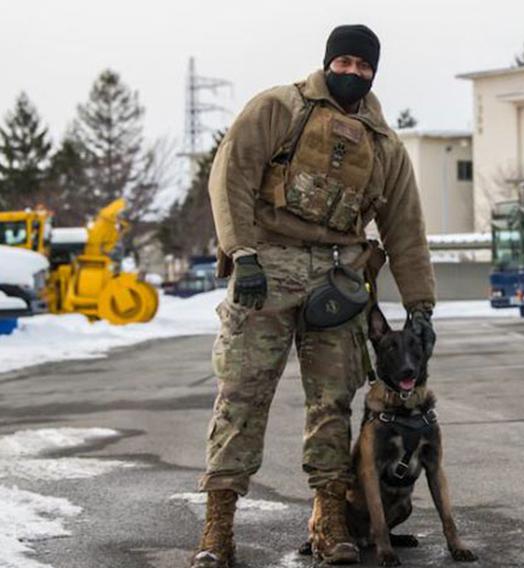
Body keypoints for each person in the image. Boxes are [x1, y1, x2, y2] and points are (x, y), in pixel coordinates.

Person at [190, 24, 437, 568]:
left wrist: (421, 307)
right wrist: (243, 253)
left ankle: (331, 526)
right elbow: (229, 175)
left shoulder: (385, 145)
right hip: (268, 268)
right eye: (344, 62)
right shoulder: (278, 108)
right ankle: (217, 532)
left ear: (374, 71)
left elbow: (405, 228)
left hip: (339, 279)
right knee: (241, 398)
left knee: (333, 406)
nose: (352, 73)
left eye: (363, 66)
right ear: (328, 61)